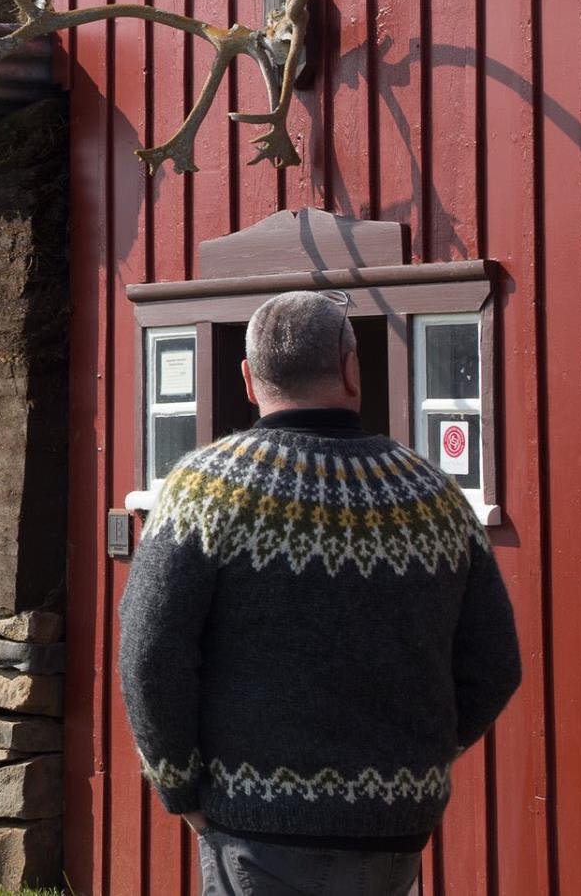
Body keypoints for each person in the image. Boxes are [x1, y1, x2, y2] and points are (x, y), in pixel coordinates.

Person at [118, 290, 521, 896]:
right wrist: (413, 757)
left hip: (253, 826)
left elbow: (149, 651)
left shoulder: (204, 491)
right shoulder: (434, 495)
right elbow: (495, 665)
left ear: (249, 380)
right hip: (395, 830)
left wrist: (181, 787)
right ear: (351, 369)